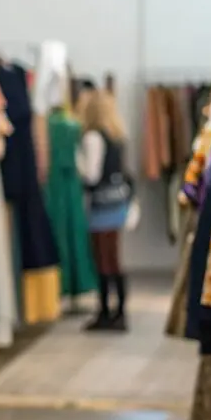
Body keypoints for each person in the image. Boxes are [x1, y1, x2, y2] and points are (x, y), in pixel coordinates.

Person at [75, 87, 133, 331]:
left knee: (102, 260)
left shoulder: (92, 137)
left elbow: (91, 175)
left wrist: (77, 164)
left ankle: (106, 312)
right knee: (113, 258)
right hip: (117, 201)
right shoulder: (117, 135)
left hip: (100, 205)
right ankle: (118, 312)